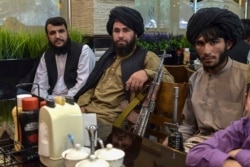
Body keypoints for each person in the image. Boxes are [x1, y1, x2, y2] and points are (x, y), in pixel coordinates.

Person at [76, 6, 174, 141]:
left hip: (111, 123)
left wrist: (147, 73)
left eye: (126, 30)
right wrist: (82, 105)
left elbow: (170, 80)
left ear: (136, 33)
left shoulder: (146, 57)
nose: (120, 35)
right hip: (87, 115)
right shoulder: (109, 56)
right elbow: (92, 85)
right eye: (116, 31)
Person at [163, 7, 250, 152]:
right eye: (200, 43)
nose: (207, 51)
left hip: (230, 151)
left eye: (214, 42)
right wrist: (172, 144)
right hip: (195, 147)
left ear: (228, 44)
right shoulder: (195, 79)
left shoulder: (245, 77)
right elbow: (188, 125)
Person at [186, 82, 250, 167]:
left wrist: (239, 154)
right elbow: (195, 154)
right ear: (246, 102)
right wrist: (228, 163)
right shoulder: (242, 127)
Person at [31, 17, 96, 100]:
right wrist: (47, 100)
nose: (57, 36)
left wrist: (63, 101)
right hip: (50, 101)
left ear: (68, 33)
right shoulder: (46, 56)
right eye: (52, 33)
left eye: (61, 31)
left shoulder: (83, 51)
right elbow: (39, 86)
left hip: (74, 101)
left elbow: (83, 84)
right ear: (47, 37)